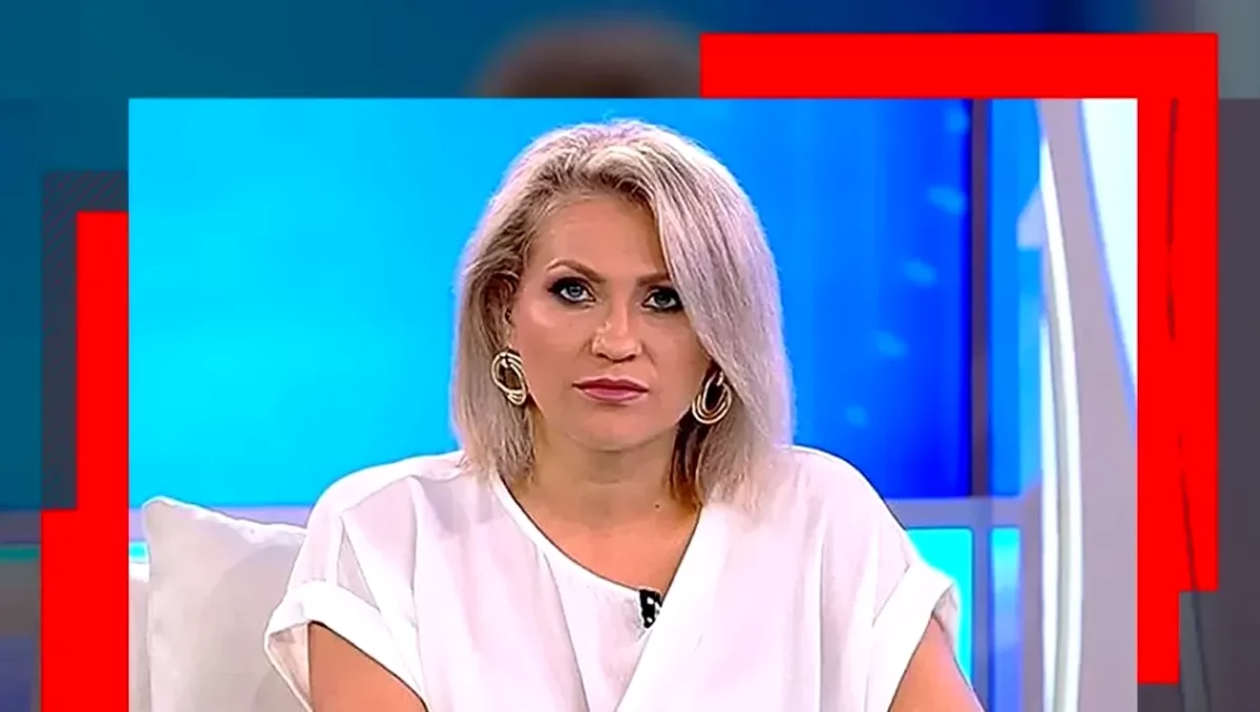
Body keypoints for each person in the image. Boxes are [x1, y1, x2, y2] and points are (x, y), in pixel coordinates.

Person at [263, 119, 982, 712]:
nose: (615, 340)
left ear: (720, 341)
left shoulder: (823, 516)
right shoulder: (385, 532)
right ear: (503, 311)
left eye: (665, 299)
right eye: (573, 291)